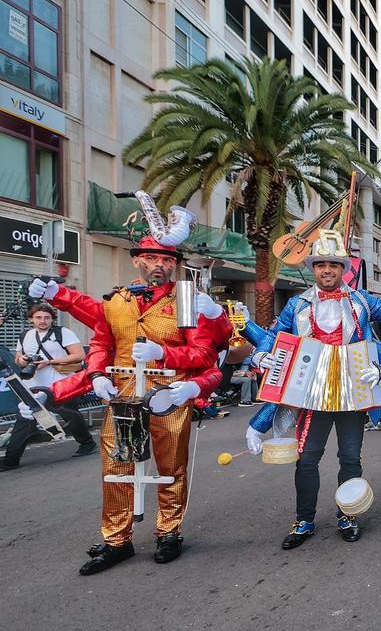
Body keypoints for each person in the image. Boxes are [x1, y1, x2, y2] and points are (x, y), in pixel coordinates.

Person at [28, 227, 229, 575]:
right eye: (151, 257)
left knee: (170, 467)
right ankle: (117, 540)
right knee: (116, 468)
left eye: (167, 260)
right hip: (122, 396)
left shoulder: (185, 302)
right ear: (137, 260)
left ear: (174, 266)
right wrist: (98, 376)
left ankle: (169, 532)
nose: (158, 265)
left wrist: (162, 353)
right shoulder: (116, 301)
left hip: (169, 396)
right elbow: (101, 345)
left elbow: (203, 353)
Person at [244, 231, 381, 550]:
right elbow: (274, 335)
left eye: (333, 265)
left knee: (350, 457)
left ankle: (347, 515)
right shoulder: (297, 304)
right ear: (313, 268)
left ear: (342, 269)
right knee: (307, 458)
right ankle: (304, 519)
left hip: (352, 390)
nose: (327, 270)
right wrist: (261, 354)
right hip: (311, 393)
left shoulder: (362, 300)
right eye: (321, 264)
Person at [1, 303, 95, 470]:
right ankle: (11, 459)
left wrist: (49, 362)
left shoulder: (63, 333)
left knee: (71, 416)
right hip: (34, 386)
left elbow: (79, 355)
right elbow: (17, 358)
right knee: (25, 419)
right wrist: (21, 360)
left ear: (52, 319)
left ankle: (87, 443)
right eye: (38, 317)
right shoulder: (25, 335)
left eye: (47, 317)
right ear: (31, 319)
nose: (42, 321)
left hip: (61, 384)